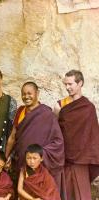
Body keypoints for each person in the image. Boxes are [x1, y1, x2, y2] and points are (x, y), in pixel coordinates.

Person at [5, 81, 66, 199]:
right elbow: (13, 136)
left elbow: (58, 141)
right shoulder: (20, 111)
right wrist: (6, 156)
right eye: (23, 94)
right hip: (22, 161)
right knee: (22, 192)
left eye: (29, 93)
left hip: (38, 164)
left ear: (37, 93)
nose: (26, 97)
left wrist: (40, 154)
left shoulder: (47, 114)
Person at [54, 69, 99, 200]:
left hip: (81, 160)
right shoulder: (60, 106)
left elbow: (92, 135)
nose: (67, 88)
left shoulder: (88, 108)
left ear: (80, 83)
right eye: (65, 84)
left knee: (81, 195)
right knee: (64, 194)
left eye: (70, 84)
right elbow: (55, 132)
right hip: (64, 159)